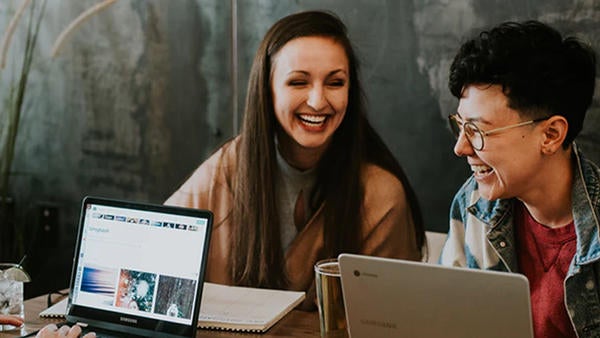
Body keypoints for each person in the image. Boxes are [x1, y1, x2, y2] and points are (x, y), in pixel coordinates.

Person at [166, 10, 425, 308]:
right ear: (267, 91)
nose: (317, 101)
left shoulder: (381, 195)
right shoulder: (227, 168)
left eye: (335, 83)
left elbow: (393, 317)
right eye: (298, 83)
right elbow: (153, 254)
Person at [439, 20, 597, 337]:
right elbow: (445, 320)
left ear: (551, 135)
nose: (461, 147)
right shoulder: (473, 204)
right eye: (461, 125)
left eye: (478, 131)